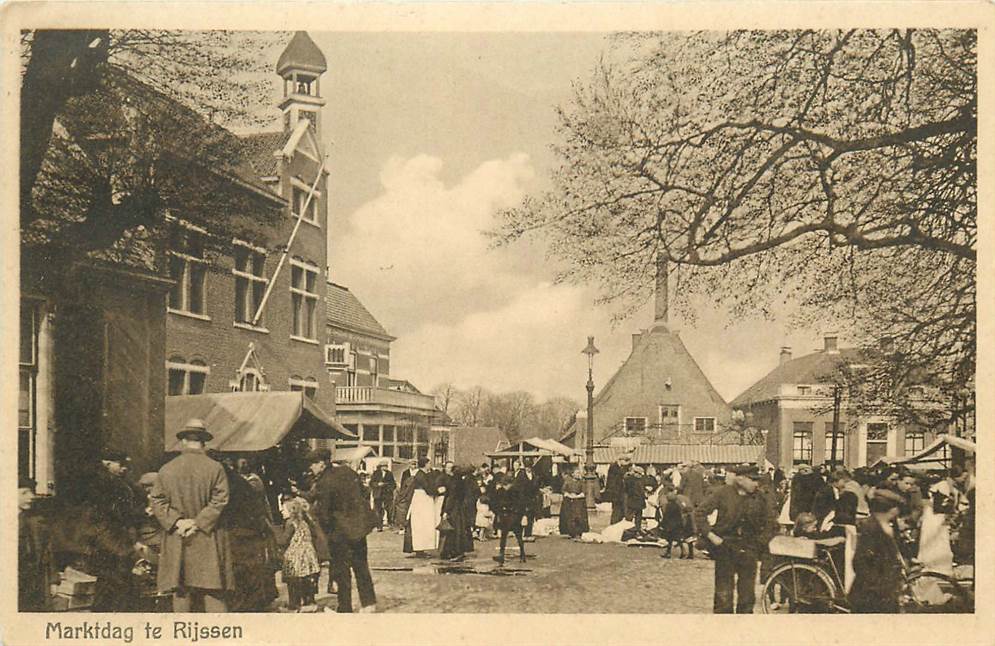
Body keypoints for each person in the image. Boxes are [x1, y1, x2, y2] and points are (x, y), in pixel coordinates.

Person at [150, 419, 233, 612]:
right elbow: (220, 500)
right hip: (208, 537)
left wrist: (177, 522)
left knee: (181, 592)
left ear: (184, 442)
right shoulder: (215, 468)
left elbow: (157, 500)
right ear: (204, 442)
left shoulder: (167, 469)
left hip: (178, 539)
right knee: (213, 593)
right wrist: (197, 523)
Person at [308, 448, 377, 613]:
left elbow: (324, 513)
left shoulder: (324, 481)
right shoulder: (347, 471)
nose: (311, 468)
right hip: (358, 529)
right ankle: (369, 604)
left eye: (313, 464)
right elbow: (364, 492)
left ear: (321, 463)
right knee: (361, 566)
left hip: (340, 533)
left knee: (341, 570)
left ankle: (345, 607)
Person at [694, 464, 769, 614]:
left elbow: (769, 521)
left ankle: (743, 630)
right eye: (753, 480)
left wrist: (760, 542)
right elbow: (699, 513)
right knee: (723, 594)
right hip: (725, 547)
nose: (756, 483)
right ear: (740, 480)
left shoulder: (760, 497)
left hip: (749, 548)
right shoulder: (722, 493)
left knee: (747, 596)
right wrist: (711, 536)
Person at [90, 448, 146, 612]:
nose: (124, 468)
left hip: (112, 537)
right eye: (121, 464)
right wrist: (140, 513)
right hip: (109, 537)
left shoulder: (116, 482)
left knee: (112, 580)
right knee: (114, 579)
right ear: (107, 463)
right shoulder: (105, 484)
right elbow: (118, 513)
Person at [849, 489, 905, 613]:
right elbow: (860, 563)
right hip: (871, 597)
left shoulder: (883, 526)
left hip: (882, 593)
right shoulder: (872, 529)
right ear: (893, 510)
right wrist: (879, 587)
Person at [917, 465, 969, 575]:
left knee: (941, 540)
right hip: (935, 517)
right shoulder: (943, 486)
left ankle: (939, 565)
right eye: (963, 478)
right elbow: (940, 506)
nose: (964, 480)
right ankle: (934, 566)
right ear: (956, 476)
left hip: (941, 517)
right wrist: (953, 512)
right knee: (935, 539)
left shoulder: (953, 488)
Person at [277, 497, 322, 612]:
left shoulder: (290, 523)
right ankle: (309, 602)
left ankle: (294, 604)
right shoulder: (304, 523)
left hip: (295, 556)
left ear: (291, 511)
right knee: (308, 579)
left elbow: (284, 540)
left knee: (293, 581)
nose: (281, 511)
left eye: (284, 509)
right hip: (308, 555)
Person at [403, 457, 437, 556]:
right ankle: (419, 548)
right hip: (422, 499)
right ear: (425, 464)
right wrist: (437, 491)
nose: (430, 465)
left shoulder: (421, 474)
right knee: (420, 524)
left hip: (421, 499)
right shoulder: (421, 475)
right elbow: (428, 488)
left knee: (421, 524)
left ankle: (420, 548)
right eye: (429, 463)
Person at [492, 474, 528, 565]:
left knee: (517, 535)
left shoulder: (516, 491)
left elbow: (521, 504)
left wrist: (520, 514)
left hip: (514, 515)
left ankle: (522, 554)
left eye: (506, 485)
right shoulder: (501, 491)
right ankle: (502, 555)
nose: (505, 487)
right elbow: (495, 502)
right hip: (506, 516)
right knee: (505, 536)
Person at [558, 465, 590, 539]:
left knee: (579, 515)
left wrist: (578, 495)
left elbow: (584, 491)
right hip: (570, 500)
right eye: (577, 473)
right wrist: (569, 494)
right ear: (573, 474)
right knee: (570, 516)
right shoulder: (568, 481)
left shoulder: (581, 482)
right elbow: (563, 490)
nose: (578, 474)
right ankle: (570, 531)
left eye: (579, 473)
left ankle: (579, 531)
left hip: (579, 500)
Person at [370, 461, 397, 531]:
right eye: (384, 466)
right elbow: (371, 483)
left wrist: (388, 487)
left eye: (386, 466)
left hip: (387, 494)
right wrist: (377, 484)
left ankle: (390, 523)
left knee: (389, 509)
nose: (385, 467)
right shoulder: (376, 473)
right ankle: (379, 526)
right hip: (378, 494)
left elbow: (393, 484)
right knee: (378, 510)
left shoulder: (389, 474)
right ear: (380, 467)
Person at [605, 455, 630, 524]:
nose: (627, 464)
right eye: (626, 461)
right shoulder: (614, 467)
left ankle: (618, 523)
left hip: (620, 492)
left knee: (621, 510)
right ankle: (614, 524)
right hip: (616, 492)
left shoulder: (622, 468)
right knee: (616, 509)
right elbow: (613, 481)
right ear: (621, 460)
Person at [624, 466, 648, 530]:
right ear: (636, 473)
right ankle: (628, 529)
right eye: (640, 474)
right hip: (634, 501)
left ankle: (636, 529)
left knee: (637, 518)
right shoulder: (630, 480)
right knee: (630, 517)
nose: (641, 476)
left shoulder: (637, 480)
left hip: (637, 502)